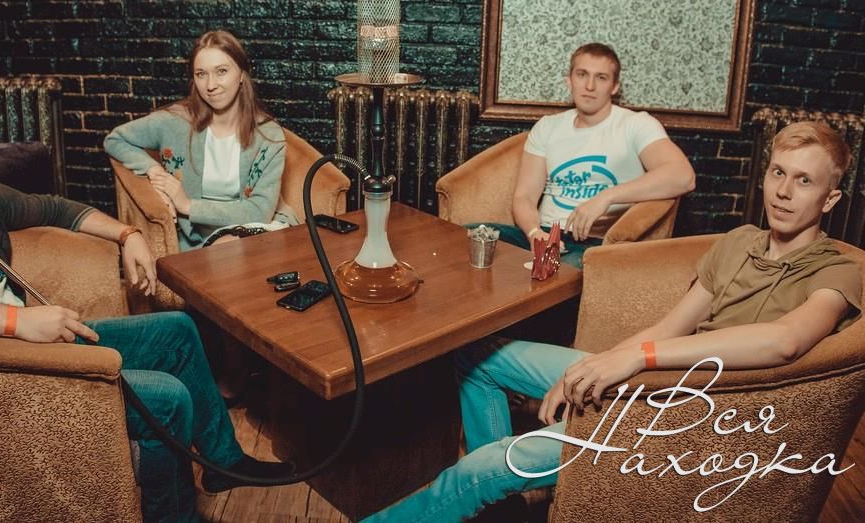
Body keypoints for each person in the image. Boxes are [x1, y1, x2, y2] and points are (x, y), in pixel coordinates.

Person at [363, 120, 862, 522]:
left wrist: (636, 359)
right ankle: (505, 506)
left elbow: (786, 341)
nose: (784, 191)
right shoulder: (738, 242)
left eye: (804, 181)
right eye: (778, 173)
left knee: (481, 469)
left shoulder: (839, 269)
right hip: (658, 380)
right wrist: (598, 365)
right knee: (479, 355)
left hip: (693, 417)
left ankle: (488, 482)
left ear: (830, 198)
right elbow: (670, 328)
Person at [0, 80, 292, 523]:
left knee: (177, 330)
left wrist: (128, 234)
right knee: (168, 398)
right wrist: (17, 322)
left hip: (33, 344)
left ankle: (224, 463)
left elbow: (57, 208)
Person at [501, 42, 695, 267]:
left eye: (601, 77)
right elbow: (524, 196)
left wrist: (606, 197)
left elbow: (683, 177)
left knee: (558, 275)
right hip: (544, 233)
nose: (590, 86)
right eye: (582, 74)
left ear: (614, 87)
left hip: (594, 243)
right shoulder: (548, 126)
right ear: (569, 80)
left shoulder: (636, 124)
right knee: (475, 235)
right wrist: (534, 233)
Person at [105, 29, 295, 251]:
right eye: (201, 74)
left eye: (221, 71)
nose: (211, 85)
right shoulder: (174, 122)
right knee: (228, 251)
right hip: (201, 238)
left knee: (237, 249)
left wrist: (187, 205)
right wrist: (153, 169)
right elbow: (115, 140)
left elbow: (258, 211)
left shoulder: (268, 135)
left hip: (259, 229)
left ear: (242, 74)